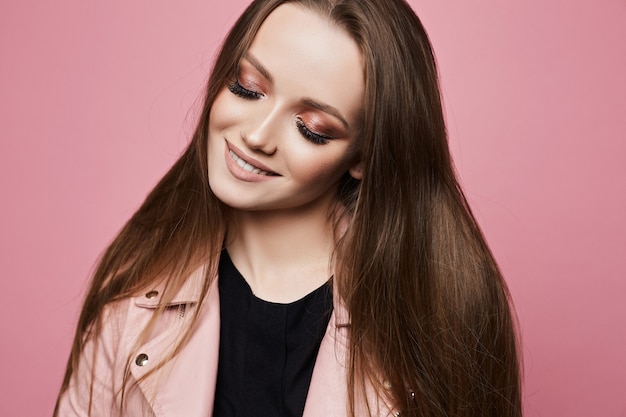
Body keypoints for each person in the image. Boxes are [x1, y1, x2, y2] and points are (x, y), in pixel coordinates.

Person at [54, 0, 522, 416]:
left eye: (312, 127)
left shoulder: (437, 315)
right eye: (247, 87)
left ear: (363, 155)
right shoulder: (133, 296)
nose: (257, 136)